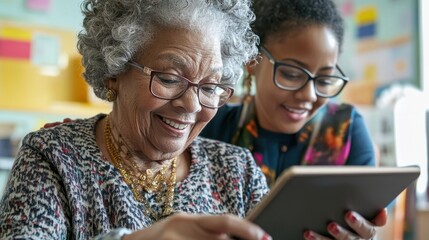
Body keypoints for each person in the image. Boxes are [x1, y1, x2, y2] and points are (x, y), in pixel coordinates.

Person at [14, 0, 385, 239]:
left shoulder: (236, 169)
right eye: (170, 78)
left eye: (211, 86)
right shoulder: (54, 156)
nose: (191, 104)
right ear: (114, 70)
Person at [201, 0, 377, 185]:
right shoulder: (211, 125)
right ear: (253, 60)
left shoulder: (347, 131)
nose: (310, 95)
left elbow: (371, 205)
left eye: (324, 80)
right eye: (292, 74)